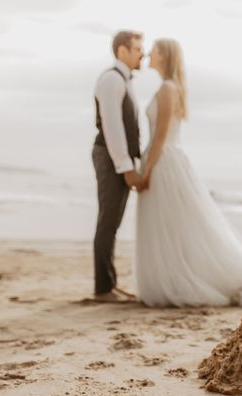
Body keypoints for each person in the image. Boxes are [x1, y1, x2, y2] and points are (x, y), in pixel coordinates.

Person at [135, 38, 242, 307]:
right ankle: (176, 277)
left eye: (154, 49)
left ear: (164, 55)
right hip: (166, 160)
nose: (149, 53)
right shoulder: (172, 88)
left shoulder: (166, 89)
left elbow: (160, 136)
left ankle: (183, 280)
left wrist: (145, 171)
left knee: (175, 226)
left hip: (164, 163)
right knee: (176, 227)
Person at [92, 30, 146, 303]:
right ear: (122, 50)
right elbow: (112, 128)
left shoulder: (124, 80)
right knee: (108, 221)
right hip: (110, 157)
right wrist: (126, 168)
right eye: (138, 48)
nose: (142, 54)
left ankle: (108, 283)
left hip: (115, 158)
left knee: (111, 222)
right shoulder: (112, 80)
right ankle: (103, 288)